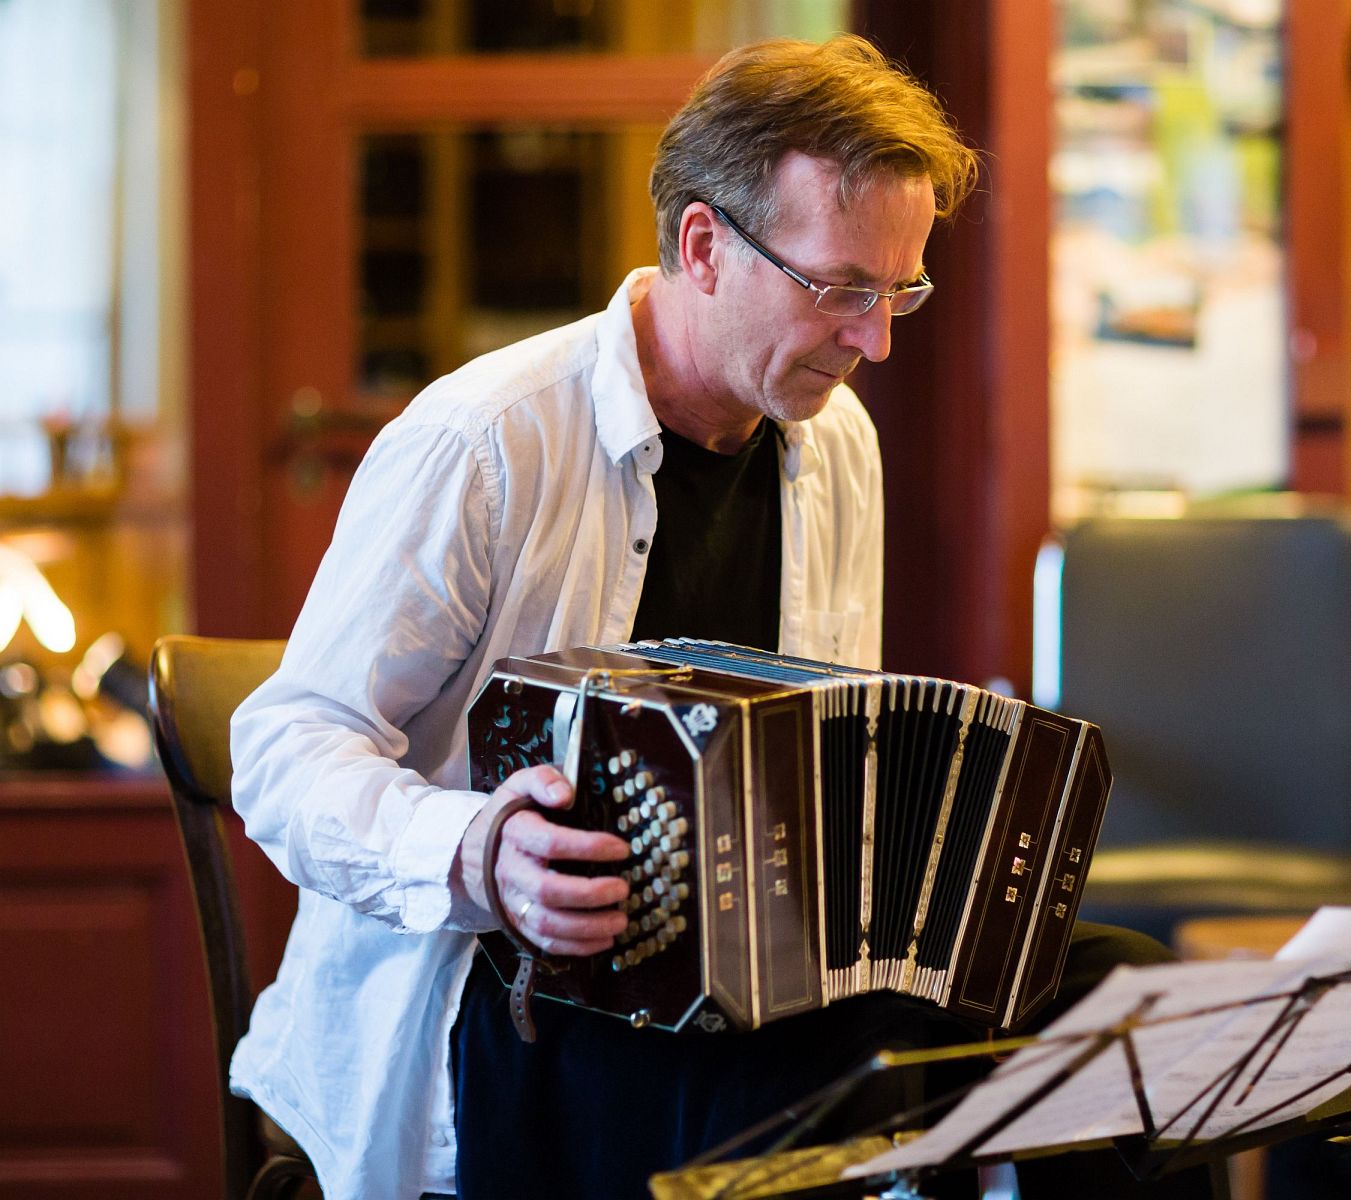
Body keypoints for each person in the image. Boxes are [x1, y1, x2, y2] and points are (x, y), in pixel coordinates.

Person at [230, 34, 1176, 1200]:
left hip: (750, 977)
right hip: (505, 986)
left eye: (899, 292)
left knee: (1115, 1002)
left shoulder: (837, 444)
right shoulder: (484, 441)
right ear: (702, 245)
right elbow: (283, 747)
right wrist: (477, 849)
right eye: (840, 290)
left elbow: (819, 770)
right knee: (804, 1085)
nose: (874, 340)